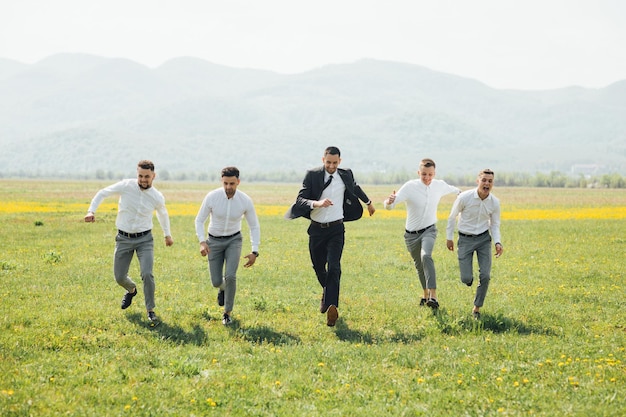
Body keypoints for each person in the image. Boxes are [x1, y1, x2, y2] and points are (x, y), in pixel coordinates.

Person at [287, 146, 375, 327]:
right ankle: (327, 295)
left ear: (339, 161)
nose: (331, 166)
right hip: (316, 230)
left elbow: (355, 188)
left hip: (336, 229)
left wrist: (369, 203)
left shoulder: (346, 174)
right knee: (319, 267)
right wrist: (317, 203)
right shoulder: (312, 175)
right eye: (328, 162)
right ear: (323, 160)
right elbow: (300, 199)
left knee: (334, 267)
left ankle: (332, 307)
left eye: (335, 163)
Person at [84, 160, 174, 323]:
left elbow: (162, 213)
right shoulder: (126, 186)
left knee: (147, 273)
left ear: (154, 176)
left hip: (145, 240)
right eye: (140, 176)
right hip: (123, 238)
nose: (143, 180)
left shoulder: (157, 196)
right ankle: (131, 290)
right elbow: (103, 192)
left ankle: (150, 310)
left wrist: (167, 234)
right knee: (119, 277)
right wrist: (91, 210)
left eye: (147, 176)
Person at [383, 158, 460, 310]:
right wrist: (389, 201)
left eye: (430, 174)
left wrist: (465, 199)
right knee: (419, 266)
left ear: (434, 173)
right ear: (419, 172)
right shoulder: (410, 187)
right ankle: (425, 295)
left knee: (426, 256)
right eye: (424, 174)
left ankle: (434, 296)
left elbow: (457, 191)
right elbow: (389, 206)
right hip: (411, 235)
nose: (427, 178)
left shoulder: (439, 185)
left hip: (429, 230)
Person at [194, 166, 260, 325]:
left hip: (234, 240)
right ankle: (222, 288)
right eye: (225, 184)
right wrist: (202, 242)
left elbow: (254, 226)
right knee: (216, 281)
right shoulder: (212, 197)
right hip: (214, 241)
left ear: (238, 182)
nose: (228, 187)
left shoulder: (245, 200)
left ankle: (227, 313)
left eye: (232, 183)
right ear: (221, 182)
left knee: (230, 276)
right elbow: (199, 220)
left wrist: (254, 251)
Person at [446, 168, 503, 319]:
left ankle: (476, 309)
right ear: (478, 181)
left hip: (483, 239)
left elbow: (495, 224)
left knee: (485, 275)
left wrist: (498, 242)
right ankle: (468, 280)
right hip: (465, 239)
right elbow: (452, 217)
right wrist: (449, 237)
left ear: (492, 184)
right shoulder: (464, 197)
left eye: (490, 181)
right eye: (484, 180)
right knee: (466, 278)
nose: (486, 183)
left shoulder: (494, 202)